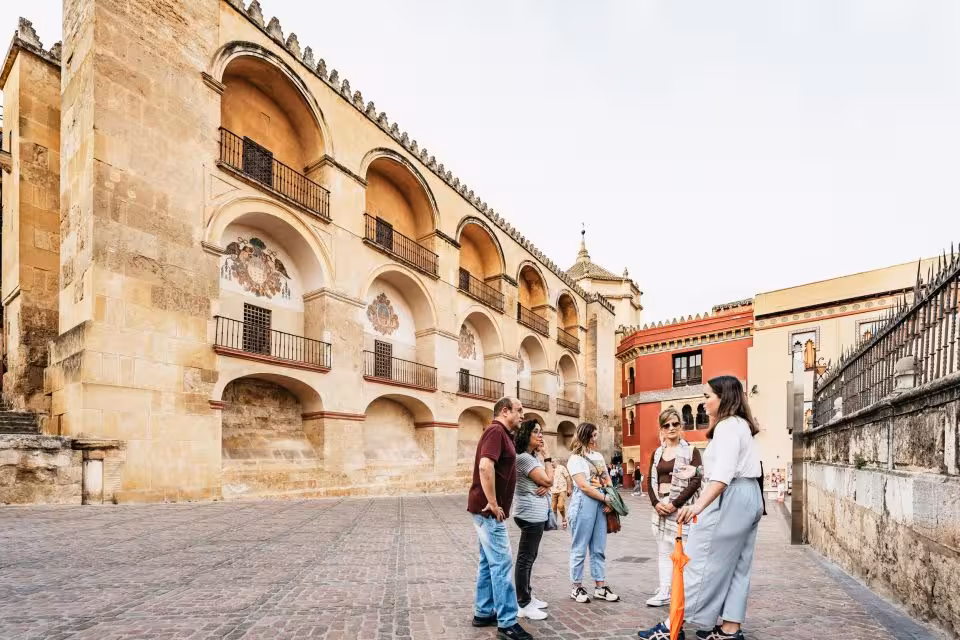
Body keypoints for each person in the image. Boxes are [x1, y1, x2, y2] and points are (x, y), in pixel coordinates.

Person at [637, 376, 764, 640]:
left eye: (707, 396)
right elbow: (731, 466)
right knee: (738, 565)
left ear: (724, 397)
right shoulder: (740, 425)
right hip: (749, 494)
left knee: (698, 560)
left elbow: (723, 476)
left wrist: (697, 508)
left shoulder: (728, 426)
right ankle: (730, 628)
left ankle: (673, 625)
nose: (703, 402)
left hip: (730, 497)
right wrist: (696, 470)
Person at [466, 397, 533, 640]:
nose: (522, 415)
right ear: (505, 411)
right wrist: (493, 503)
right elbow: (486, 467)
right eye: (519, 410)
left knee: (488, 562)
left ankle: (483, 612)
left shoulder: (503, 433)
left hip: (485, 510)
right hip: (489, 511)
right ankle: (507, 622)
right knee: (502, 564)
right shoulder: (495, 431)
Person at [645, 407, 703, 607]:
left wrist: (675, 504)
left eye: (675, 424)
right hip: (661, 507)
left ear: (681, 426)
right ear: (661, 429)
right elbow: (649, 480)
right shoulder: (657, 453)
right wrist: (656, 503)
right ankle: (665, 591)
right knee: (663, 551)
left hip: (682, 509)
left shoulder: (691, 450)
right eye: (666, 425)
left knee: (684, 551)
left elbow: (696, 480)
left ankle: (685, 592)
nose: (671, 428)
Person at [567, 422, 620, 603]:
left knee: (599, 547)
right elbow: (583, 486)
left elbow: (607, 479)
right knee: (579, 546)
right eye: (594, 435)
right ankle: (577, 587)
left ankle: (600, 586)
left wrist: (610, 499)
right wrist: (604, 498)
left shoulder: (597, 456)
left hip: (601, 504)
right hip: (584, 503)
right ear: (586, 436)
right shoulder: (575, 459)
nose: (596, 439)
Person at [513, 420, 554, 621]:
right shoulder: (523, 458)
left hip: (535, 514)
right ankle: (523, 603)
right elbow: (548, 479)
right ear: (525, 435)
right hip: (529, 514)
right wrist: (548, 459)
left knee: (530, 557)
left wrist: (547, 482)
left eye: (541, 432)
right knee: (525, 559)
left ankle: (527, 595)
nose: (540, 435)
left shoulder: (531, 457)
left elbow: (547, 480)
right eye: (535, 432)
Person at [550, 458, 571, 529]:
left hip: (562, 489)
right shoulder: (550, 469)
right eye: (551, 462)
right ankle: (554, 523)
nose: (551, 463)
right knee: (553, 508)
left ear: (557, 462)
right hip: (552, 490)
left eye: (552, 462)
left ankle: (563, 517)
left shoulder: (562, 468)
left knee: (560, 505)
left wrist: (569, 488)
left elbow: (568, 478)